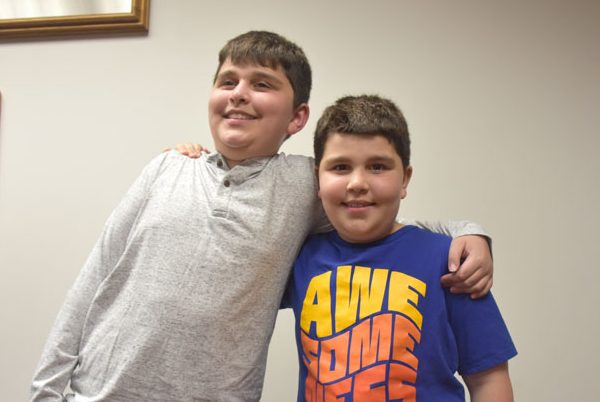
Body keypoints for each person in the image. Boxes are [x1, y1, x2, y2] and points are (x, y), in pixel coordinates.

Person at [31, 32, 494, 402]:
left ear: (297, 118)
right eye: (227, 81)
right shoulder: (167, 167)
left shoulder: (306, 186)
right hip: (98, 392)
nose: (239, 94)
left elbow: (384, 217)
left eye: (262, 84)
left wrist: (471, 233)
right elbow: (95, 276)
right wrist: (46, 390)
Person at [284, 95, 517, 402]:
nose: (357, 183)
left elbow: (488, 381)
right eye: (340, 167)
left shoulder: (451, 262)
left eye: (377, 167)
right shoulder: (298, 257)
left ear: (404, 179)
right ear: (317, 179)